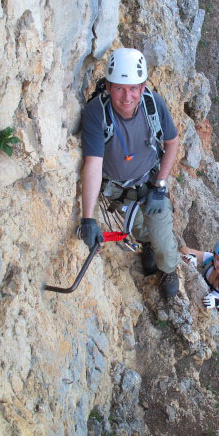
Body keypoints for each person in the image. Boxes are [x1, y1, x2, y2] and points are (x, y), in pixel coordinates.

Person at [79, 48, 180, 298]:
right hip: (119, 191)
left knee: (165, 244)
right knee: (137, 229)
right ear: (109, 87)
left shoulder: (153, 105)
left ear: (143, 87)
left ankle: (168, 270)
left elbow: (173, 143)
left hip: (150, 184)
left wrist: (160, 185)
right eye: (120, 88)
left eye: (133, 88)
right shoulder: (96, 113)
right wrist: (88, 219)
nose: (127, 96)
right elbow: (92, 164)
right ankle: (146, 245)